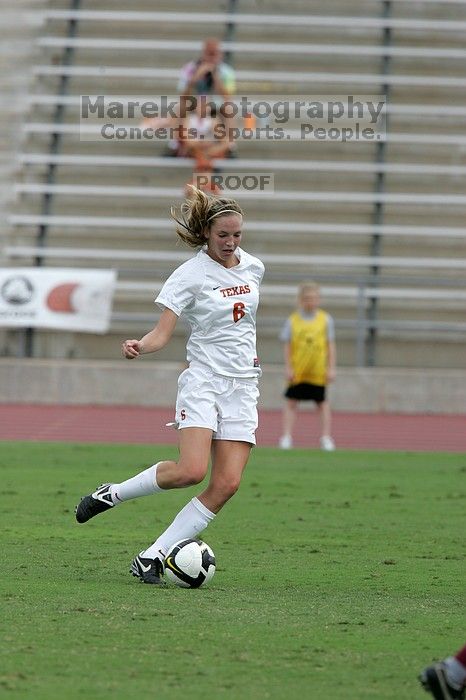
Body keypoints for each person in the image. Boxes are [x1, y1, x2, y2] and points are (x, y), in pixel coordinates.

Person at [75, 186, 265, 585]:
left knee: (227, 483)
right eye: (223, 236)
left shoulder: (253, 267)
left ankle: (153, 555)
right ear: (206, 234)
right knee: (190, 471)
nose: (231, 243)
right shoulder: (189, 275)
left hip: (244, 385)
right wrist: (139, 346)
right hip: (204, 381)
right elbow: (163, 333)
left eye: (237, 235)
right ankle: (113, 493)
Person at [278, 281, 336, 451]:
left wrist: (331, 367)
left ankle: (326, 437)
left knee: (322, 403)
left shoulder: (325, 320)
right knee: (291, 402)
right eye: (307, 298)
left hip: (317, 370)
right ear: (301, 299)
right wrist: (288, 367)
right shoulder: (293, 320)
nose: (311, 301)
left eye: (314, 298)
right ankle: (286, 436)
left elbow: (330, 345)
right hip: (298, 370)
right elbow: (287, 345)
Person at [177, 38, 236, 104]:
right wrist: (195, 78)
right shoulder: (189, 68)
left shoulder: (226, 71)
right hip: (193, 104)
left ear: (220, 54)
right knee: (181, 108)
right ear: (203, 53)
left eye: (214, 54)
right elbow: (183, 97)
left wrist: (215, 76)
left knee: (228, 108)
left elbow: (228, 98)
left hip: (218, 105)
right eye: (209, 54)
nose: (211, 58)